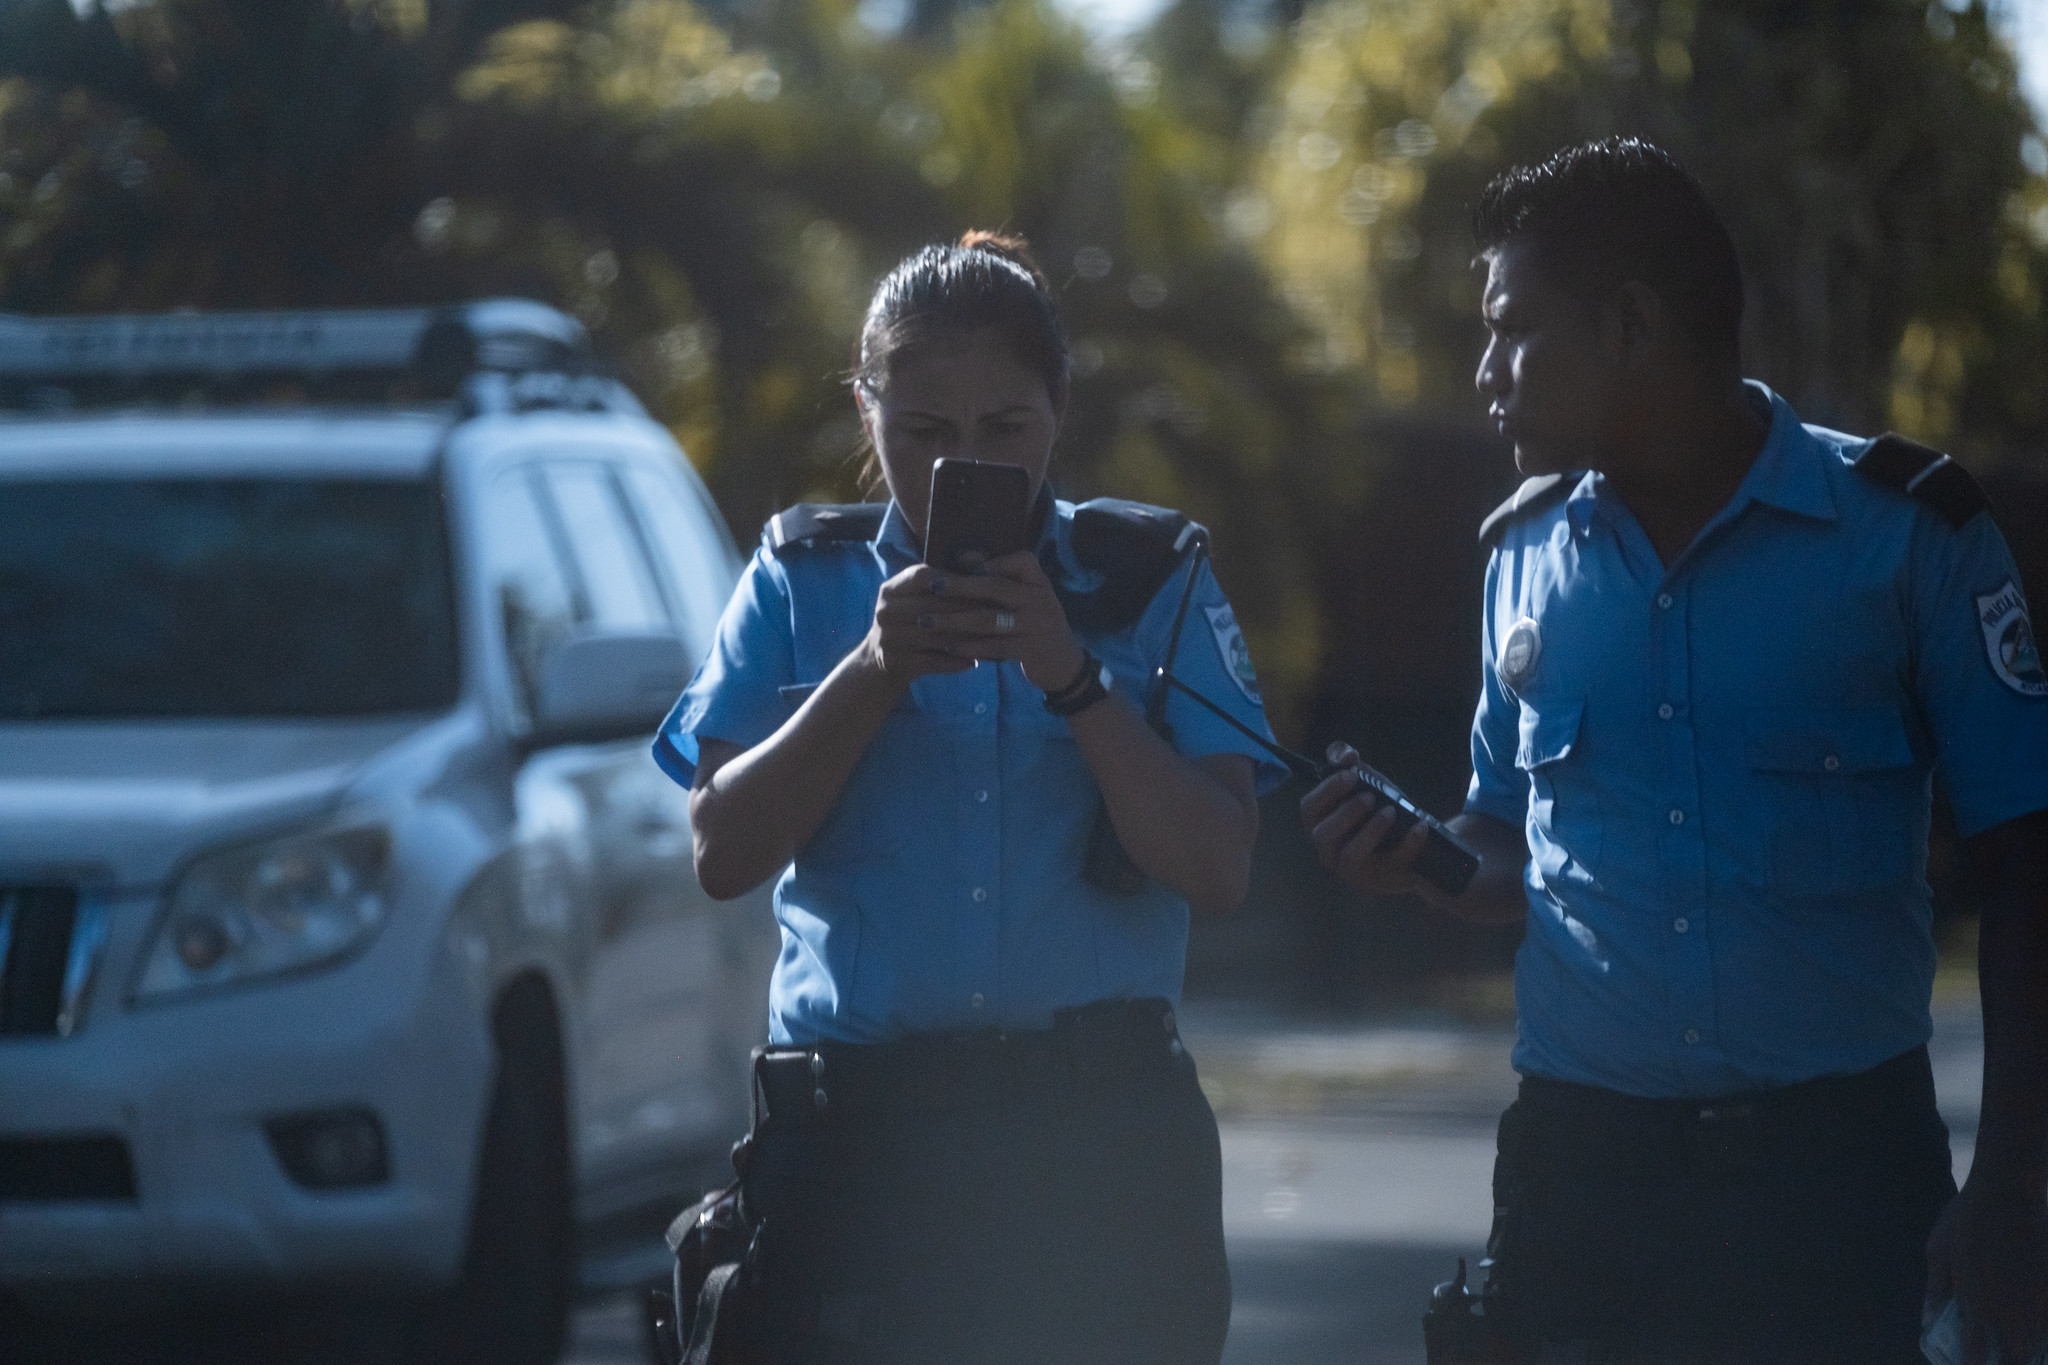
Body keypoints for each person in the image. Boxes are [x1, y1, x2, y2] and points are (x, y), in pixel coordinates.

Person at [1303, 138, 2048, 1364]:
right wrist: (1417, 860)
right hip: (1579, 1182)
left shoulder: (1907, 538)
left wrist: (2013, 1184)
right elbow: (1503, 838)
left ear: (1630, 323)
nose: (1482, 372)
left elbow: (2028, 863)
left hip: (1835, 1184)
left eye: (1510, 328)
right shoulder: (1519, 555)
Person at [654, 230, 1286, 1365]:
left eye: (1006, 432)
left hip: (1093, 1139)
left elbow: (1217, 867)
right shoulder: (800, 580)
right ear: (866, 409)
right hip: (857, 1145)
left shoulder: (1148, 578)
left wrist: (1074, 680)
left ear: (1060, 408)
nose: (963, 467)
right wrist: (870, 672)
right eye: (923, 434)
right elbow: (720, 851)